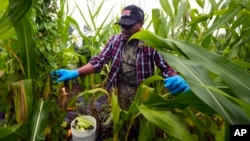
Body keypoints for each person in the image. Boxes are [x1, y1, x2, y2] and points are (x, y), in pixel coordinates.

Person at [51, 4, 190, 140]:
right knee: (120, 122)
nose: (124, 29)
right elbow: (99, 61)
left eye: (128, 25)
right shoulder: (115, 40)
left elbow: (167, 67)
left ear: (140, 24)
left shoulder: (150, 43)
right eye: (122, 24)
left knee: (138, 125)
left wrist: (175, 77)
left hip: (142, 93)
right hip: (119, 91)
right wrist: (76, 72)